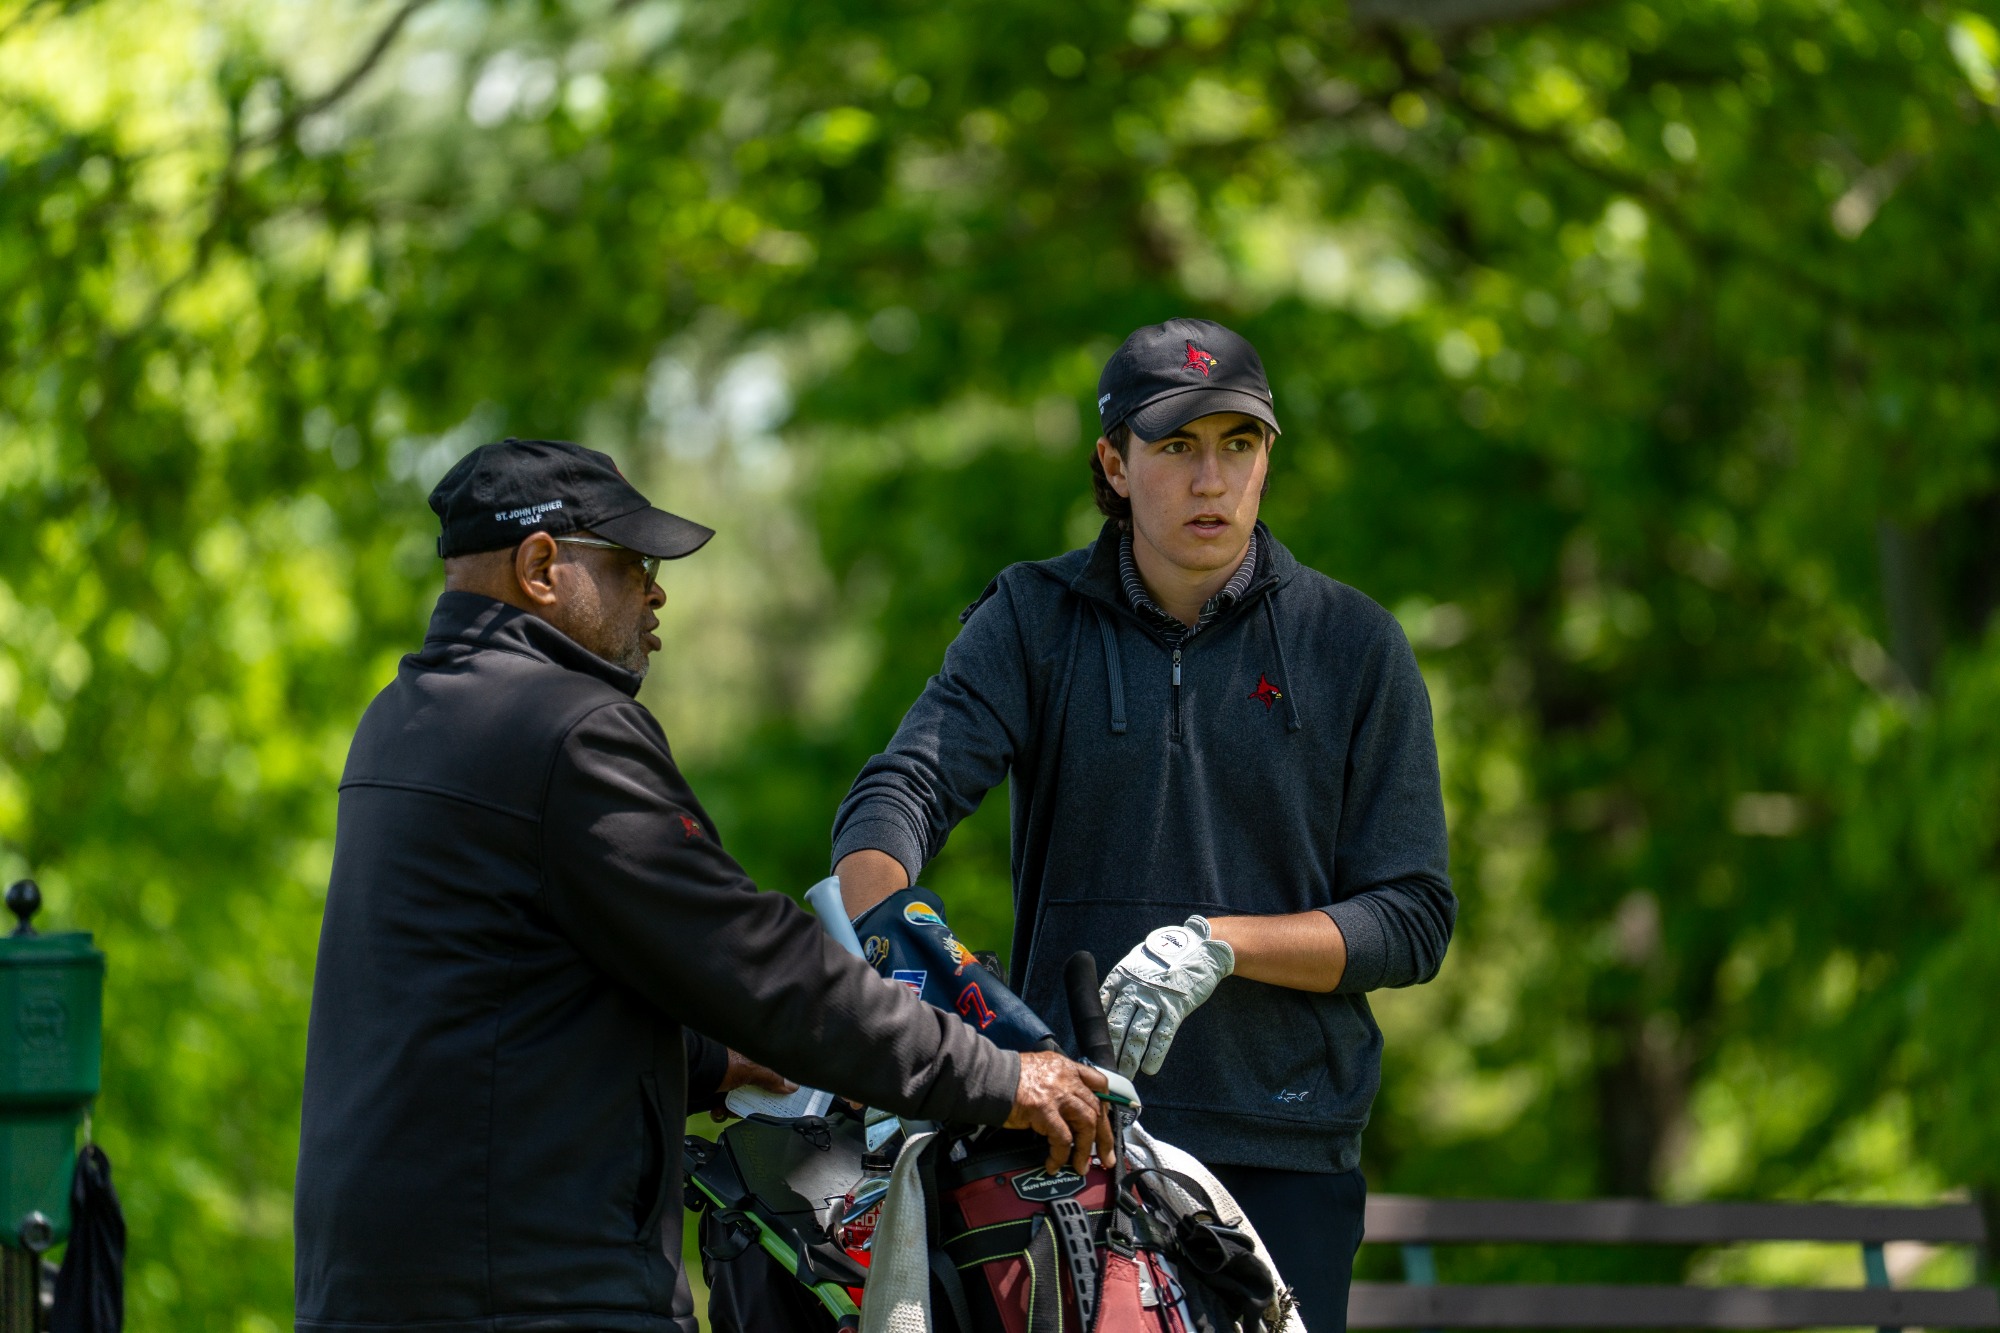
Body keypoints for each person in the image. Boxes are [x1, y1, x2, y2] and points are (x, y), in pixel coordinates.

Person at [295, 438, 1112, 1333]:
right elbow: (762, 966)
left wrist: (716, 1064)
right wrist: (996, 1074)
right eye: (632, 564)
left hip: (368, 1288)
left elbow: (495, 1004)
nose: (656, 592)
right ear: (540, 567)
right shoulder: (569, 730)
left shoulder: (400, 721)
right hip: (537, 1293)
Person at [832, 320, 1456, 1331]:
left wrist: (1220, 945)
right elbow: (896, 796)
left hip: (1283, 1149)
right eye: (1176, 446)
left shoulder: (1352, 644)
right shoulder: (1032, 620)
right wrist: (896, 941)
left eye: (1238, 444)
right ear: (1114, 464)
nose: (1211, 479)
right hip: (1069, 1136)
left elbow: (1412, 917)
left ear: (1266, 459)